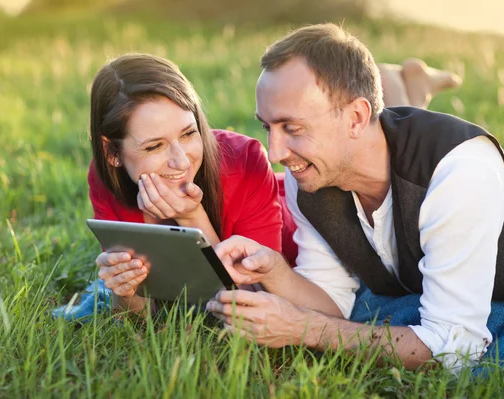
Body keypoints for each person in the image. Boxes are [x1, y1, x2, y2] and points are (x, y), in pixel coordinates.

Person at [206, 23, 504, 371]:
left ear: (356, 117)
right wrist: (274, 270)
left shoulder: (457, 172)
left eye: (292, 129)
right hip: (419, 289)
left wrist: (301, 328)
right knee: (374, 310)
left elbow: (454, 352)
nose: (276, 152)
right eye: (268, 128)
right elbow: (332, 299)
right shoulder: (310, 174)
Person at [56, 52, 463, 318]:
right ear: (112, 153)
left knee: (374, 137)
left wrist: (192, 216)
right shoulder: (105, 176)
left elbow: (248, 293)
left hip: (295, 209)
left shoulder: (244, 159)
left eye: (188, 133)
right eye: (154, 146)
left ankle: (410, 83)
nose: (181, 161)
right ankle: (411, 80)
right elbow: (149, 312)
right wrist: (125, 292)